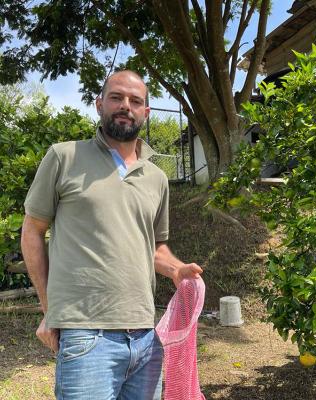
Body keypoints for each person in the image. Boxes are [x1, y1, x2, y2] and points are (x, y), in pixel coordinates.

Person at [21, 70, 203, 400]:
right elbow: (32, 232)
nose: (125, 106)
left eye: (136, 101)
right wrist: (50, 311)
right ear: (99, 104)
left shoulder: (156, 177)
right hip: (86, 337)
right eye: (116, 97)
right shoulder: (64, 157)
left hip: (146, 337)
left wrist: (176, 269)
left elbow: (153, 246)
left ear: (146, 113)